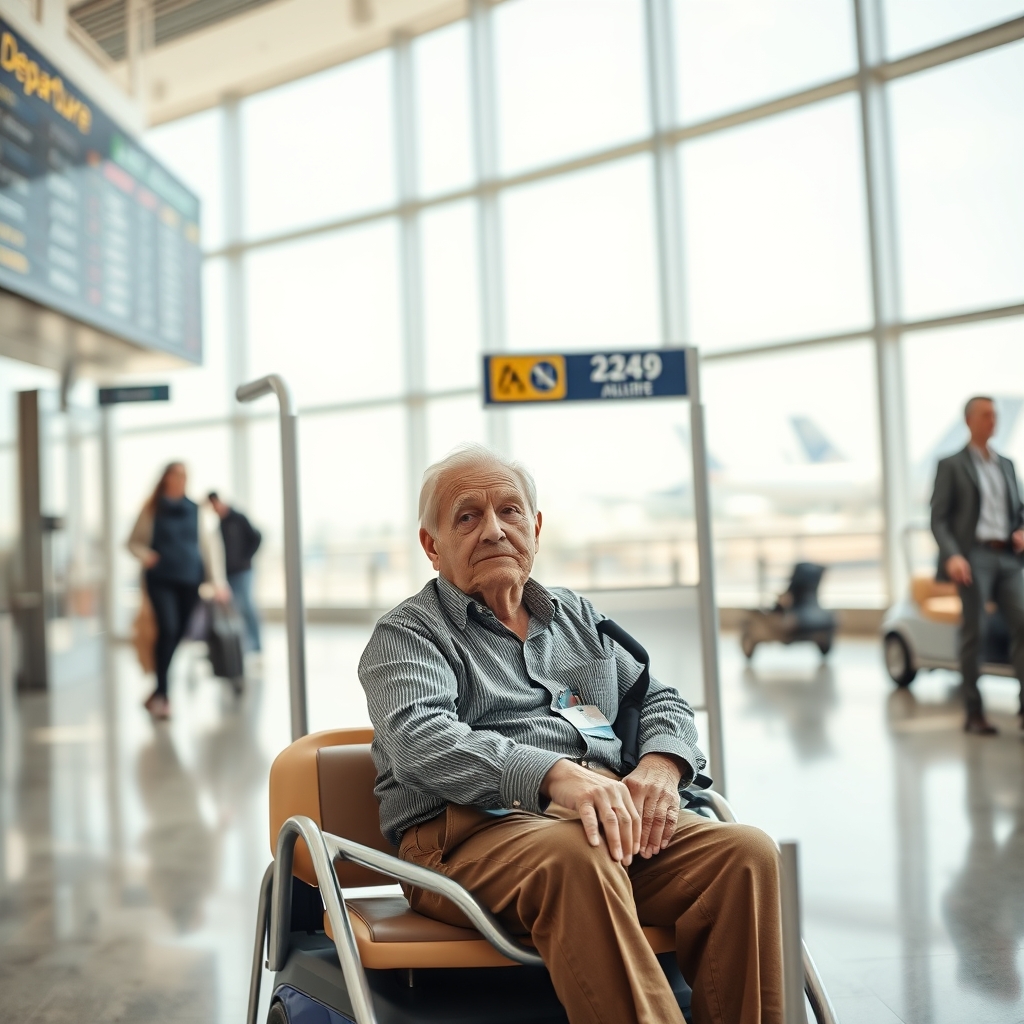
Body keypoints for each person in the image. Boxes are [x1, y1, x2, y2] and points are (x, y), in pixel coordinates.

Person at [359, 445, 782, 1024]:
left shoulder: (575, 616)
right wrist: (556, 778)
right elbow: (421, 739)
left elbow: (658, 697)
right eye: (467, 516)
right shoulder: (407, 635)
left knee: (746, 853)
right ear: (432, 546)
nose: (493, 530)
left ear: (534, 528)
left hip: (601, 825)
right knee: (576, 856)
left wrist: (662, 764)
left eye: (510, 512)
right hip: (465, 838)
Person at [931, 396, 1024, 735]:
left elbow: (1020, 509)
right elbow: (939, 519)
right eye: (986, 415)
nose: (993, 420)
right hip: (973, 558)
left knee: (1022, 624)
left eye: (995, 415)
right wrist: (953, 554)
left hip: (1009, 557)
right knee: (976, 632)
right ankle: (974, 712)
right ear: (969, 421)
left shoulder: (1008, 465)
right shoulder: (951, 465)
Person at [128, 463, 226, 719]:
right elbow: (133, 541)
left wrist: (218, 581)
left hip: (190, 579)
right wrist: (146, 555)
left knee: (179, 633)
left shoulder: (195, 509)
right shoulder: (152, 508)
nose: (180, 479)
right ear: (165, 478)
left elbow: (210, 546)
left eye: (184, 475)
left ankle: (156, 691)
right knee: (168, 629)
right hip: (161, 579)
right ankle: (164, 695)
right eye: (176, 474)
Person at [207, 492, 262, 653]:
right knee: (235, 609)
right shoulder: (220, 525)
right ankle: (244, 645)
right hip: (228, 574)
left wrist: (246, 558)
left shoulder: (239, 518)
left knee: (248, 607)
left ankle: (256, 646)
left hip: (243, 572)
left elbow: (257, 537)